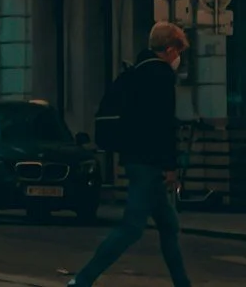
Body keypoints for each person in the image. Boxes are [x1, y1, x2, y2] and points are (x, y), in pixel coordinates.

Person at [66, 23, 191, 287]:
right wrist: (171, 165)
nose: (178, 58)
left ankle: (182, 283)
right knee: (132, 227)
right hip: (149, 163)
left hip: (136, 158)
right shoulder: (161, 75)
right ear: (169, 50)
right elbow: (163, 123)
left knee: (168, 225)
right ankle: (83, 280)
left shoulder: (135, 72)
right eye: (177, 51)